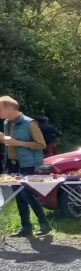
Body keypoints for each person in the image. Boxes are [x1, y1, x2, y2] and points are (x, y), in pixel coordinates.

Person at [0, 96, 51, 236]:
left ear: (10, 108)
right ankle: (26, 227)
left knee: (26, 194)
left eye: (0, 109)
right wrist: (4, 138)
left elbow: (41, 144)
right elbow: (11, 141)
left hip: (28, 165)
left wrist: (18, 143)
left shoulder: (30, 123)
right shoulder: (6, 122)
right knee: (18, 195)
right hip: (13, 163)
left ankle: (44, 224)